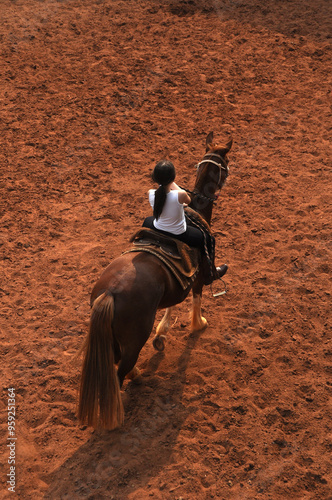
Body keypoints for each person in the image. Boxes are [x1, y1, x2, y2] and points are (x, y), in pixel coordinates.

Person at [142, 160, 227, 284]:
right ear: (173, 177)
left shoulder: (151, 193)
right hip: (178, 233)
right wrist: (171, 182)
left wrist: (168, 181)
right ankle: (210, 273)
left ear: (155, 178)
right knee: (209, 240)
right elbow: (188, 202)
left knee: (146, 221)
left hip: (157, 227)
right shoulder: (180, 195)